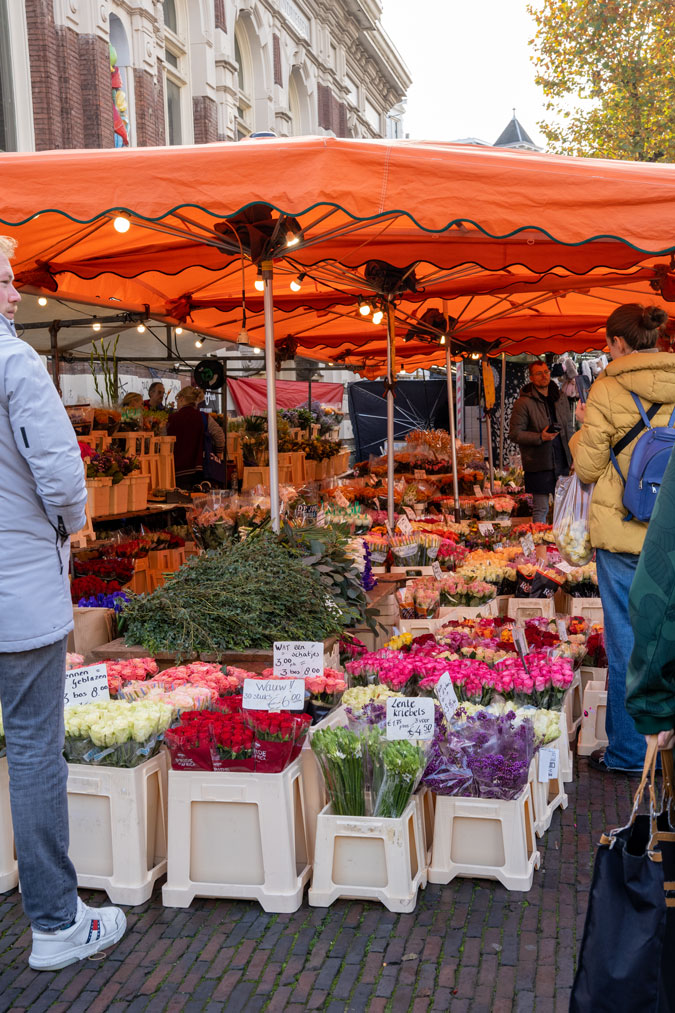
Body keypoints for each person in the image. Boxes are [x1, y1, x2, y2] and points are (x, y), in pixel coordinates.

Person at [0, 236, 126, 969]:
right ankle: (55, 922)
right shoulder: (14, 362)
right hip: (17, 598)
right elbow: (62, 472)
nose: (16, 295)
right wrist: (68, 523)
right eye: (7, 283)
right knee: (35, 752)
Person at [570, 303, 675, 773]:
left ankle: (631, 754)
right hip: (670, 535)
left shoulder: (608, 387)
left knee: (627, 643)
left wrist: (580, 430)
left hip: (622, 537)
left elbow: (588, 467)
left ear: (617, 343)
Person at [625, 444, 675, 751]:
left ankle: (625, 750)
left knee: (618, 635)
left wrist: (654, 705)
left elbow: (661, 592)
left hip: (620, 528)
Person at [509, 360, 573, 522]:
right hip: (539, 463)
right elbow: (515, 434)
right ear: (531, 377)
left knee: (564, 508)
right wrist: (540, 437)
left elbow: (568, 428)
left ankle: (561, 545)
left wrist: (574, 455)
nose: (544, 376)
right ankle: (541, 545)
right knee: (541, 508)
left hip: (563, 461)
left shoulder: (561, 397)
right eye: (539, 373)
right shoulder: (523, 403)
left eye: (546, 371)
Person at [167, 385, 206, 488]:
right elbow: (219, 435)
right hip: (197, 468)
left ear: (182, 399)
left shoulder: (171, 418)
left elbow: (163, 438)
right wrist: (218, 452)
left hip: (176, 469)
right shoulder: (202, 416)